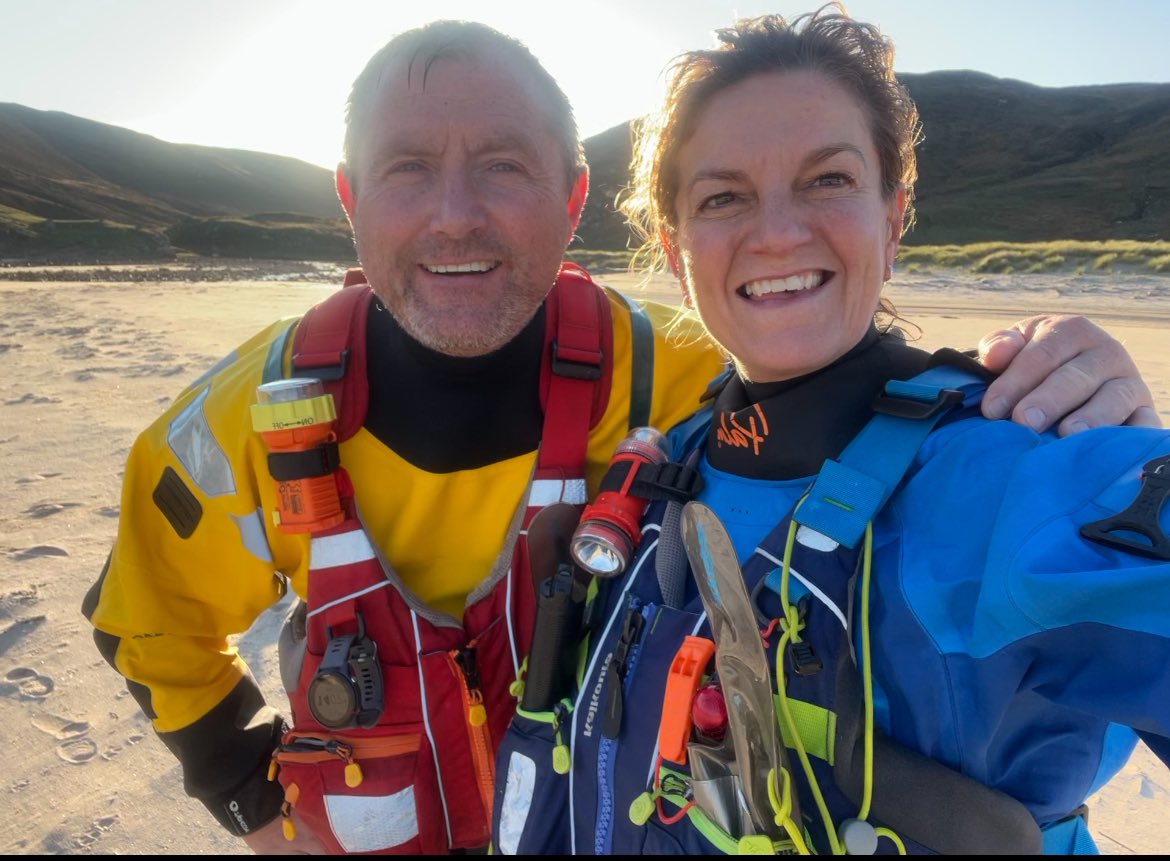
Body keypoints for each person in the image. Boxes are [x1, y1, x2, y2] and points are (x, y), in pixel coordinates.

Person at [80, 17, 1159, 857]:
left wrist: (1057, 378)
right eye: (408, 168)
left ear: (575, 196)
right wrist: (251, 800)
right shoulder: (251, 417)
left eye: (504, 163)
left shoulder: (671, 378)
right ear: (351, 200)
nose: (456, 213)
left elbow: (845, 366)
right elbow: (145, 625)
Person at [490, 5, 1170, 856]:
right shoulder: (682, 456)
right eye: (724, 195)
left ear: (893, 217)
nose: (776, 232)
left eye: (828, 180)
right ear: (674, 246)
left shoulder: (1007, 477)